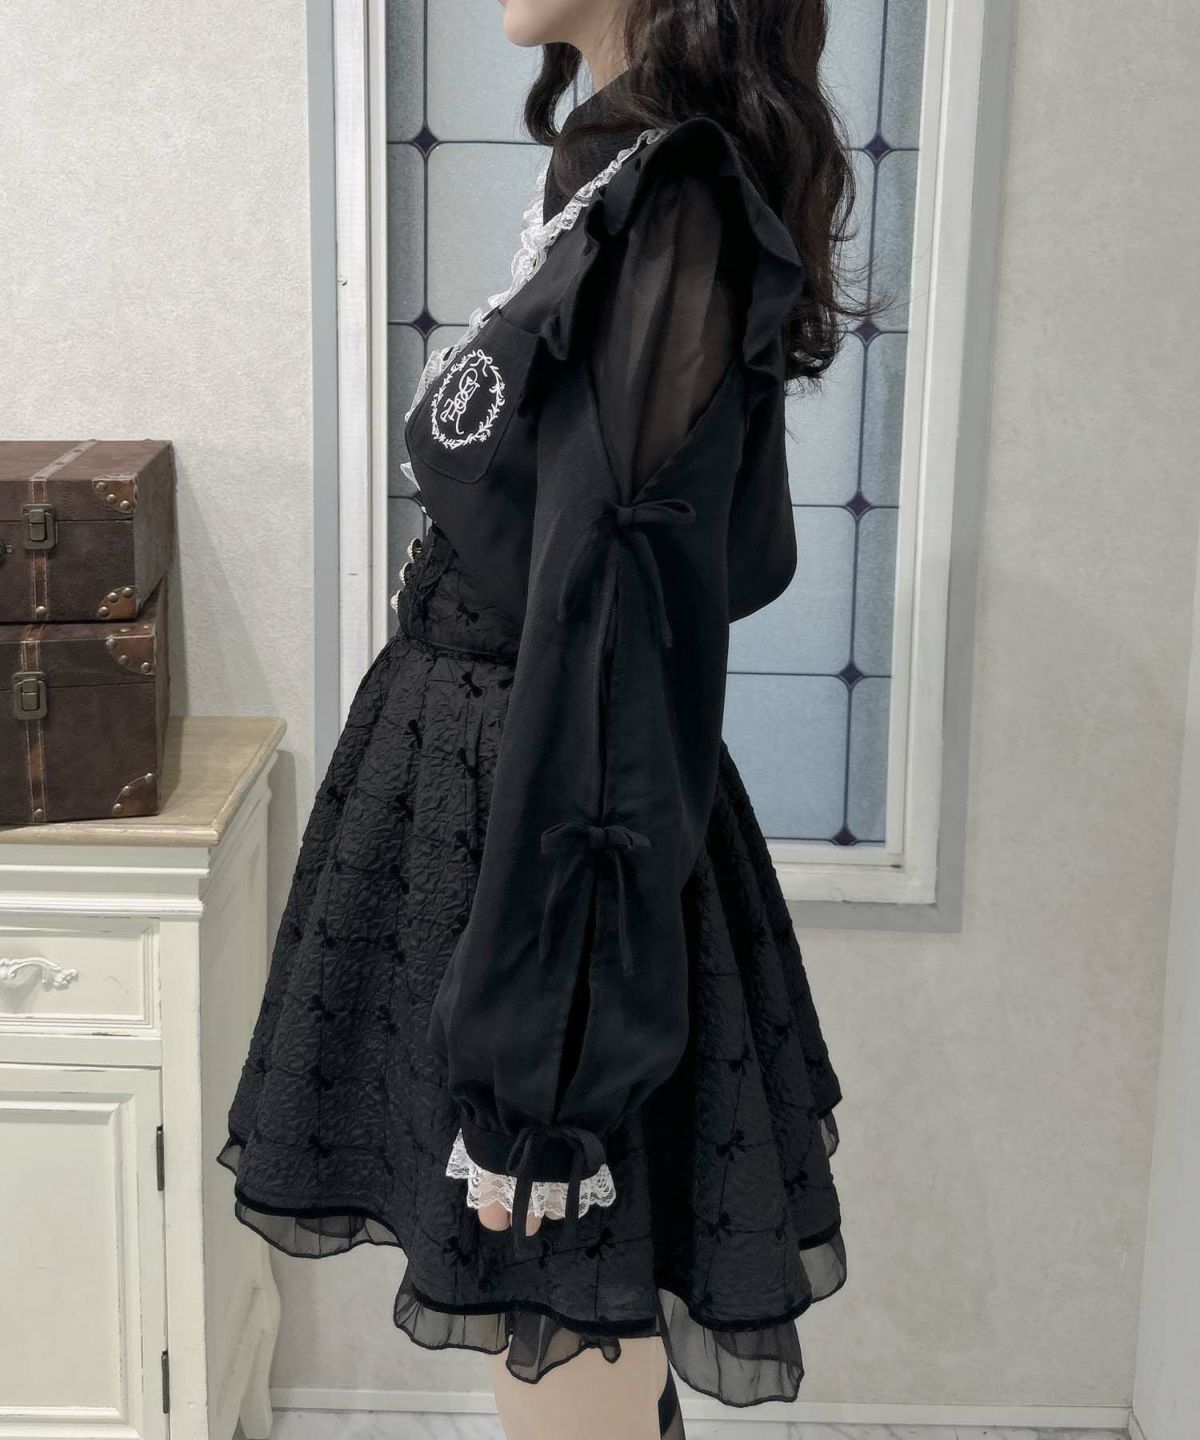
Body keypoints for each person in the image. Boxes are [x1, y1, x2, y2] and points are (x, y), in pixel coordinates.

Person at [218, 0, 862, 1432]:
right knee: (557, 1321)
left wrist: (549, 1062)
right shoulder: (612, 172)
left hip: (548, 830)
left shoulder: (672, 199)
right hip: (485, 803)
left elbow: (621, 627)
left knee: (568, 1309)